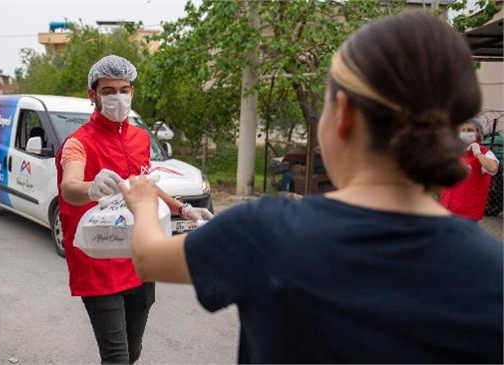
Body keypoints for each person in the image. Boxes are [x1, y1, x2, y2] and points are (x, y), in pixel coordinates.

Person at [119, 13, 503, 364]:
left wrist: (141, 200)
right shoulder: (492, 272)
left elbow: (149, 258)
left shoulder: (267, 231)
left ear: (345, 114)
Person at [55, 54, 212, 364]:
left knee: (133, 351)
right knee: (116, 357)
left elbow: (146, 184)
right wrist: (91, 187)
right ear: (93, 95)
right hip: (98, 262)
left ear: (132, 91)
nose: (118, 97)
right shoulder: (78, 143)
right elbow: (69, 188)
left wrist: (184, 209)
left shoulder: (139, 138)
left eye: (124, 89)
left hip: (140, 259)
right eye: (108, 91)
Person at [440, 118, 499, 221]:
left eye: (470, 130)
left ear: (478, 133)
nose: (466, 133)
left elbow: (493, 168)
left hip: (466, 213)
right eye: (463, 130)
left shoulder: (484, 152)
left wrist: (478, 153)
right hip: (446, 208)